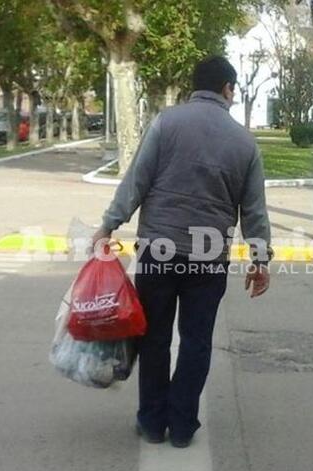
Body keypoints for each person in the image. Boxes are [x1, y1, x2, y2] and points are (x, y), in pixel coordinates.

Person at [93, 55, 272, 448]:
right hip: (208, 260)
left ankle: (153, 423)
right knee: (196, 341)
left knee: (154, 337)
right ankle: (183, 424)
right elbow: (254, 211)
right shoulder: (244, 142)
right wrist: (260, 260)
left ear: (195, 86)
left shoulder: (166, 123)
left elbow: (136, 181)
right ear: (227, 88)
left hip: (159, 251)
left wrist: (108, 225)